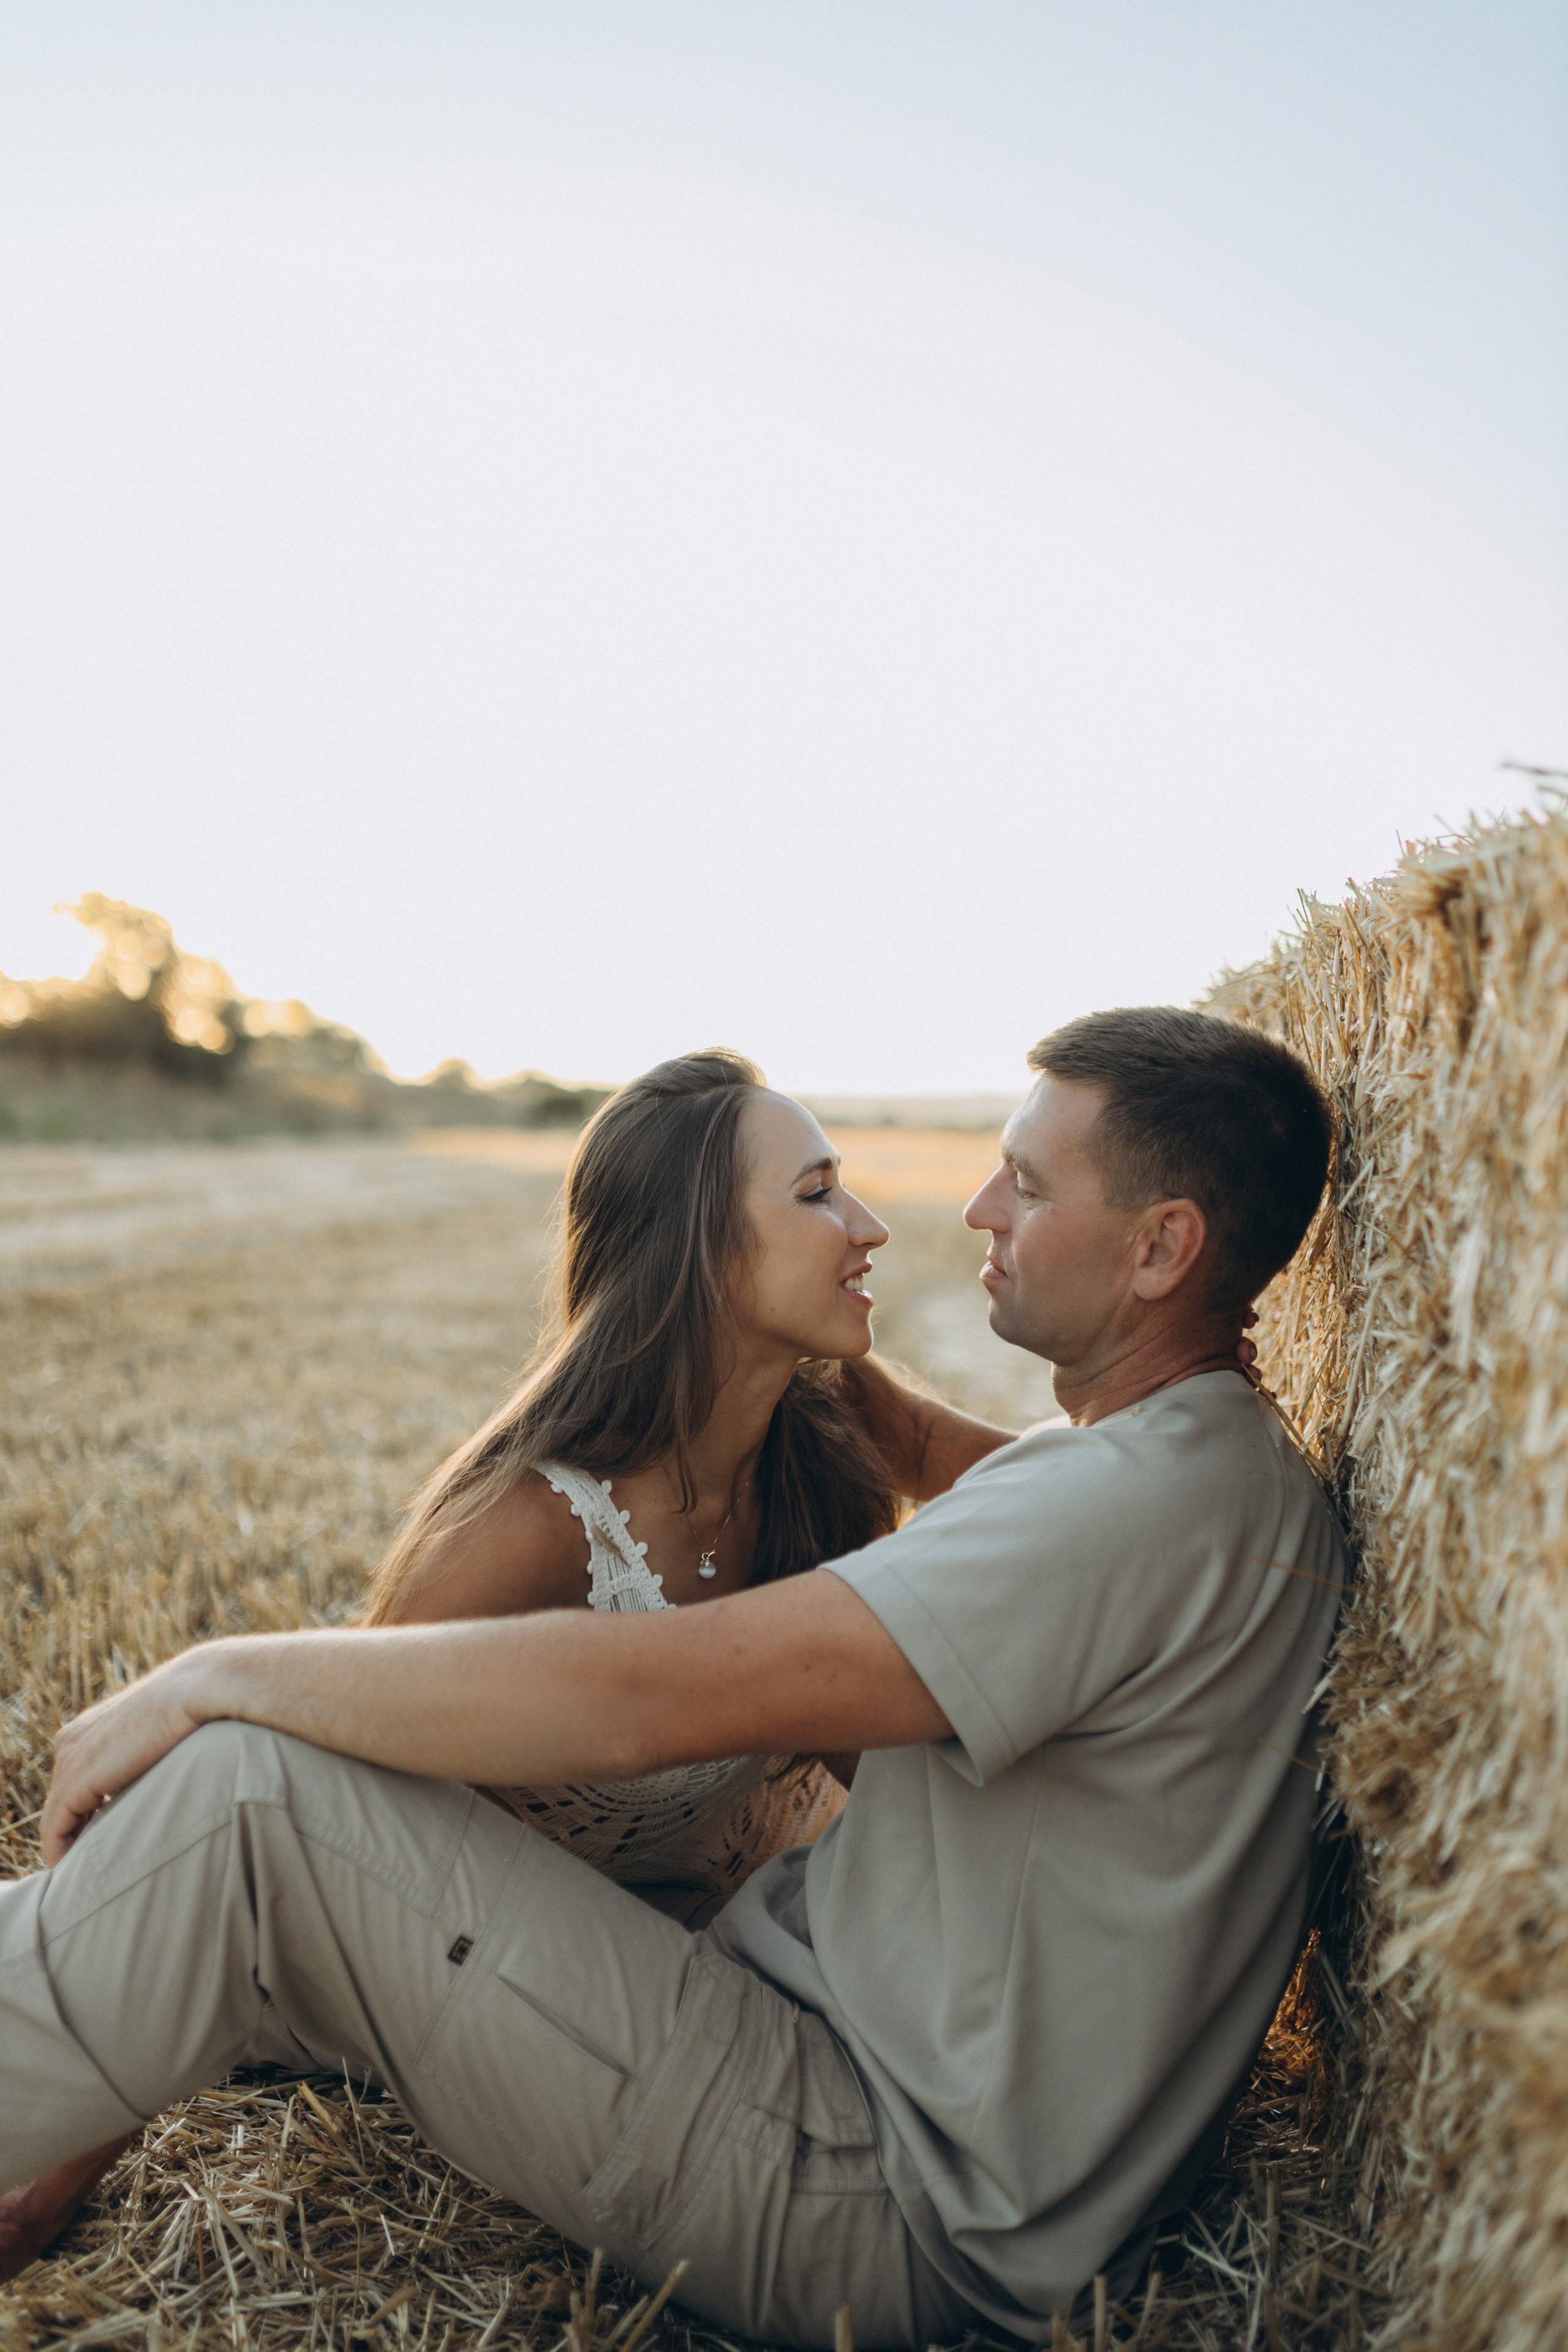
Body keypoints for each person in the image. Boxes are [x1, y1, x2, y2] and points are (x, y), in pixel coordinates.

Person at [0, 1007, 1342, 2346]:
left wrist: (213, 1673)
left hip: (871, 2189)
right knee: (194, 1848)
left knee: (245, 1797)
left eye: (1029, 1182)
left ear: (1163, 1245)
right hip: (872, 2118)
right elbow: (1010, 1496)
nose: (970, 1208)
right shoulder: (1198, 1477)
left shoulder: (1130, 1501)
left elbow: (640, 1700)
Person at [356, 1047, 1015, 1915]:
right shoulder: (530, 1525)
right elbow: (354, 1804)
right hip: (532, 1979)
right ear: (698, 1249)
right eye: (817, 1194)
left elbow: (1030, 1490)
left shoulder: (823, 1414)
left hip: (755, 1937)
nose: (869, 1227)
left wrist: (1183, 1439)